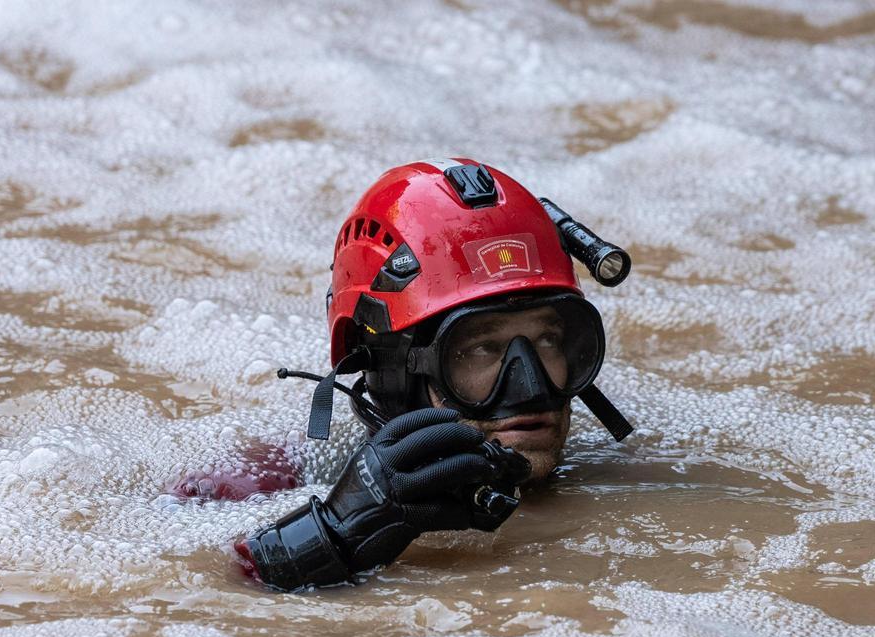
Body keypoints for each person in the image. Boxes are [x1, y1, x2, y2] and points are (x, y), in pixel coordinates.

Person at [231, 157, 633, 591]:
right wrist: (330, 537)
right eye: (480, 348)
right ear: (390, 369)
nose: (530, 387)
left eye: (548, 341)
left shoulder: (624, 476)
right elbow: (199, 584)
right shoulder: (268, 478)